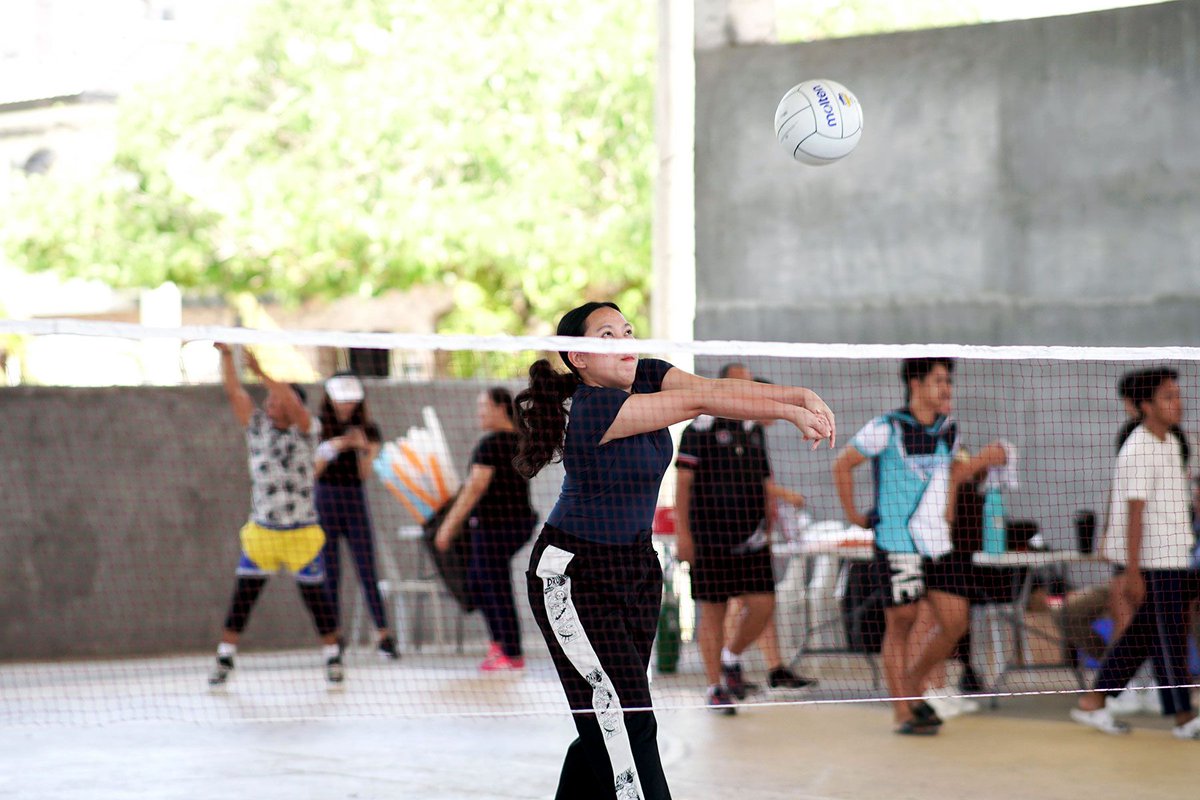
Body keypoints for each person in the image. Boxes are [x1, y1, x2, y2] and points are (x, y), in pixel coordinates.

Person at [513, 302, 834, 800]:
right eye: (607, 335)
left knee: (609, 718)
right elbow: (701, 402)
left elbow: (717, 390)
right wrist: (787, 409)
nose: (624, 342)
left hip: (637, 567)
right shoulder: (591, 407)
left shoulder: (648, 375)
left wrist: (798, 393)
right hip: (574, 577)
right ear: (578, 356)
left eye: (627, 331)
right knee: (627, 718)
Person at [831, 357, 1008, 735]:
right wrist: (856, 517)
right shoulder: (887, 427)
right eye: (939, 381)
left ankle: (911, 685)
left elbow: (952, 475)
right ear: (916, 384)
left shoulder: (949, 429)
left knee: (955, 621)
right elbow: (842, 465)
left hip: (937, 543)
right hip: (897, 541)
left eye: (949, 382)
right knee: (902, 621)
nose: (947, 389)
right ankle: (902, 709)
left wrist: (982, 463)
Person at [674, 365, 814, 715]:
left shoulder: (754, 430)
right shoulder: (700, 427)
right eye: (742, 382)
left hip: (751, 539)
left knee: (764, 604)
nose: (749, 388)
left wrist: (771, 517)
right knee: (713, 613)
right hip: (709, 538)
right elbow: (683, 485)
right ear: (725, 385)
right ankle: (715, 686)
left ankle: (731, 657)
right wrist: (683, 534)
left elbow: (763, 480)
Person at [1071, 368, 1200, 739]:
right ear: (1145, 406)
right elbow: (1134, 513)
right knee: (1170, 637)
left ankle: (1093, 702)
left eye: (1177, 394)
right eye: (1168, 397)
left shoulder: (1172, 442)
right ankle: (1184, 719)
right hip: (1151, 562)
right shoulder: (1137, 448)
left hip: (1175, 555)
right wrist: (1131, 573)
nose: (1178, 403)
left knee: (1142, 636)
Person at [207, 344, 344, 686]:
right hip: (264, 532)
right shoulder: (257, 428)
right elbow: (234, 391)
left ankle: (333, 657)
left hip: (300, 532)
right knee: (244, 597)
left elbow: (292, 402)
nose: (269, 404)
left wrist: (262, 370)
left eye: (276, 400)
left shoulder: (307, 430)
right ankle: (225, 657)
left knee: (316, 598)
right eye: (268, 400)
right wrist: (227, 357)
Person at [435, 387, 537, 671]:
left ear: (501, 408)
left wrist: (447, 526)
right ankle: (501, 644)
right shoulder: (521, 441)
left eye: (484, 406)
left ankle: (510, 651)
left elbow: (475, 487)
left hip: (495, 529)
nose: (479, 412)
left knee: (493, 584)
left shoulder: (490, 445)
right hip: (517, 525)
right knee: (480, 579)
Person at [314, 372, 397, 659]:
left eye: (351, 401)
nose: (346, 406)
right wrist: (335, 446)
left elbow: (362, 475)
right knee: (330, 570)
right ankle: (332, 637)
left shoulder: (369, 429)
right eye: (341, 400)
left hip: (354, 500)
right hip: (325, 500)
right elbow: (312, 472)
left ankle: (383, 635)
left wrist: (365, 450)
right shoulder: (318, 427)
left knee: (367, 567)